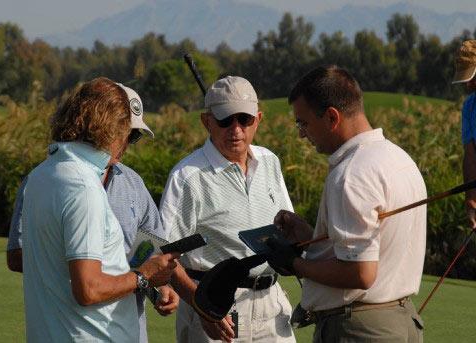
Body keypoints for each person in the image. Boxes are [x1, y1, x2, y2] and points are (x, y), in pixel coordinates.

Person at [6, 85, 179, 341]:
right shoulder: (84, 186)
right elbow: (88, 289)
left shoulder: (42, 175)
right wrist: (144, 276)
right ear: (111, 127)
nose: (127, 144)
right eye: (128, 134)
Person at [268, 65, 427, 342]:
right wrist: (311, 238)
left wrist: (294, 263)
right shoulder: (399, 158)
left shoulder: (351, 174)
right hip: (402, 321)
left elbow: (360, 273)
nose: (301, 134)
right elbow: (373, 245)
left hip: (359, 328)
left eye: (303, 123)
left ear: (331, 117)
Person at [160, 76, 296, 342]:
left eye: (244, 120)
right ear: (206, 121)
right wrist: (202, 307)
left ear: (258, 119)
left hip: (272, 303)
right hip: (216, 307)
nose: (236, 129)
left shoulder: (270, 161)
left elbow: (287, 228)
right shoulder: (188, 177)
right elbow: (165, 255)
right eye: (225, 120)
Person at [452, 40, 476, 229]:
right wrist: (471, 201)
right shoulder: (469, 107)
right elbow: (470, 156)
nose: (468, 84)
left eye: (472, 77)